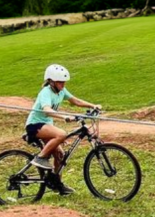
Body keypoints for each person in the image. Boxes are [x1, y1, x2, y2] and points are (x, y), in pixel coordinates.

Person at [26, 64, 101, 195]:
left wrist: (92, 105)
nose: (63, 85)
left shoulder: (61, 91)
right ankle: (40, 158)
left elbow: (75, 101)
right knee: (62, 134)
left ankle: (57, 184)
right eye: (60, 82)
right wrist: (64, 116)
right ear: (51, 81)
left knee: (60, 155)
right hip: (35, 125)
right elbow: (47, 110)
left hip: (47, 126)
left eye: (64, 82)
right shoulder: (45, 92)